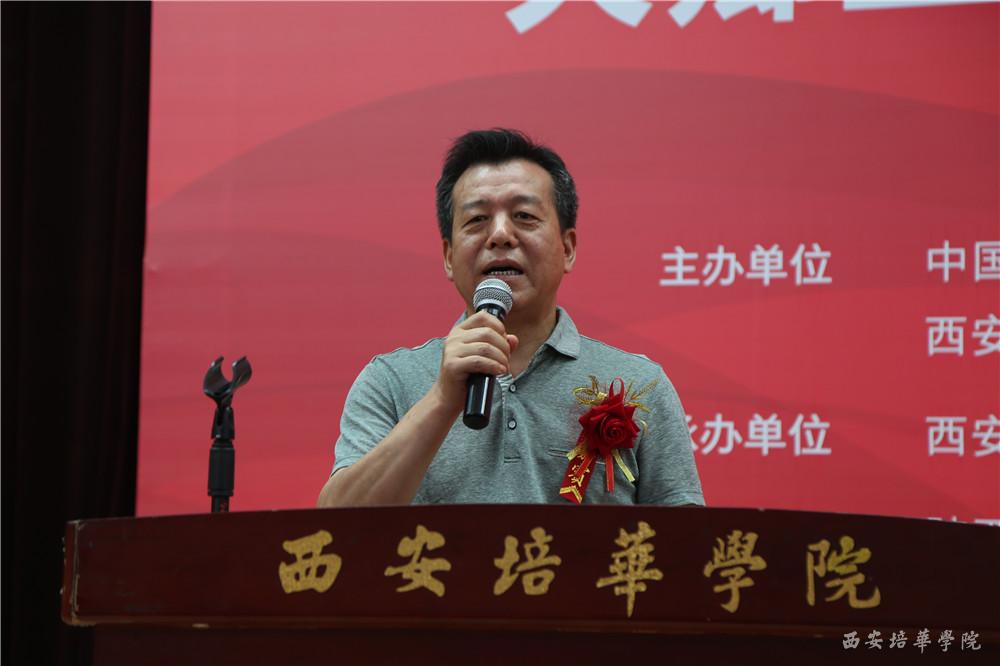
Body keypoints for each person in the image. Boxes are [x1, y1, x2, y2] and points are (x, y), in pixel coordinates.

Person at [317, 129, 703, 507]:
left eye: (524, 216)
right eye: (477, 220)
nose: (500, 235)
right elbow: (336, 528)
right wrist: (442, 399)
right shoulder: (389, 381)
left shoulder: (638, 384)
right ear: (449, 257)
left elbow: (687, 541)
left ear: (567, 248)